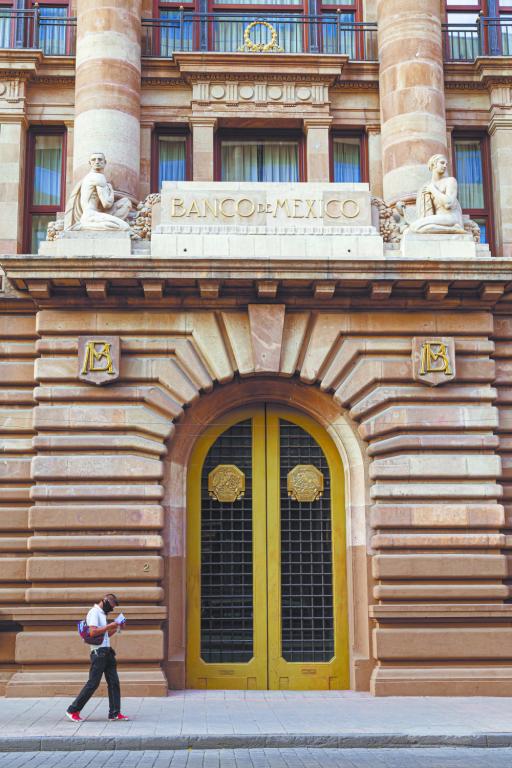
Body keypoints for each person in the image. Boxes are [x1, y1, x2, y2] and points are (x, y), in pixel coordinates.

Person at [66, 593, 129, 722]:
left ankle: (115, 713)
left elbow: (105, 636)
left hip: (107, 652)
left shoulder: (102, 614)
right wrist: (109, 625)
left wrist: (118, 627)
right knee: (93, 683)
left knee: (114, 683)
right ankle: (72, 710)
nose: (111, 609)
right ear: (105, 601)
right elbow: (92, 632)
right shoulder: (94, 612)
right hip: (98, 653)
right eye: (111, 606)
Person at [64, 152, 132, 231]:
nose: (97, 162)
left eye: (100, 159)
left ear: (104, 162)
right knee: (124, 227)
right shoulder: (98, 177)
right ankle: (81, 226)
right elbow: (107, 204)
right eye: (93, 160)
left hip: (94, 214)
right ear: (90, 163)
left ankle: (87, 225)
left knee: (126, 202)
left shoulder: (90, 177)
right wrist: (111, 191)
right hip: (91, 215)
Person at [410, 153, 465, 234]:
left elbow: (448, 203)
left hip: (451, 217)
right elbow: (425, 213)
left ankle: (454, 227)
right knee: (415, 227)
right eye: (442, 163)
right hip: (438, 219)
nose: (445, 166)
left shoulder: (450, 181)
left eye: (446, 164)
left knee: (416, 226)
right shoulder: (426, 186)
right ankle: (452, 229)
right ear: (433, 164)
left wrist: (433, 189)